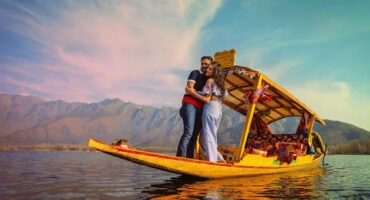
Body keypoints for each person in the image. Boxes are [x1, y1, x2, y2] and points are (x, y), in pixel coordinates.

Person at [185, 61, 227, 163]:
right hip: (217, 109)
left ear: (214, 72)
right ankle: (219, 159)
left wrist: (192, 92)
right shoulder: (220, 83)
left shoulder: (209, 81)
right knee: (203, 139)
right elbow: (225, 95)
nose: (207, 70)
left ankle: (212, 162)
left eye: (210, 69)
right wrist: (215, 97)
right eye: (208, 68)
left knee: (209, 135)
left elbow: (206, 99)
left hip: (210, 108)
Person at [176, 56, 213, 158]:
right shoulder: (195, 73)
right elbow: (189, 88)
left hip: (201, 108)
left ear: (211, 65)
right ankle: (179, 157)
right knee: (188, 132)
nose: (203, 66)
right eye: (202, 64)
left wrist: (194, 93)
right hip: (190, 104)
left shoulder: (210, 80)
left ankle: (189, 158)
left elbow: (192, 91)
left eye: (206, 64)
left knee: (195, 136)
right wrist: (203, 97)